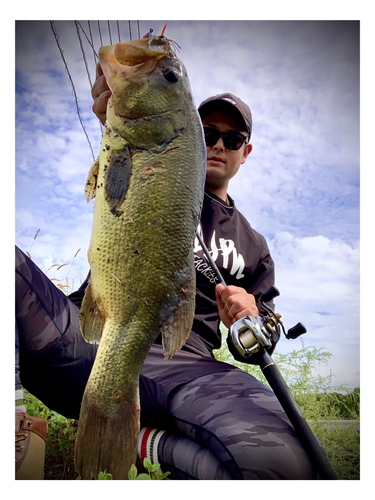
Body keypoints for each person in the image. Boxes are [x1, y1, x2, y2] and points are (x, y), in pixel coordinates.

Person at [15, 63, 319, 479]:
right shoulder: (145, 158)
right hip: (84, 337)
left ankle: (147, 443)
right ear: (189, 134)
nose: (217, 145)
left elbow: (261, 329)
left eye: (232, 139)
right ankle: (16, 430)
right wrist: (118, 109)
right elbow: (121, 152)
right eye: (207, 133)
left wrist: (253, 315)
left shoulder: (254, 246)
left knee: (280, 461)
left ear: (245, 152)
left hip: (185, 365)